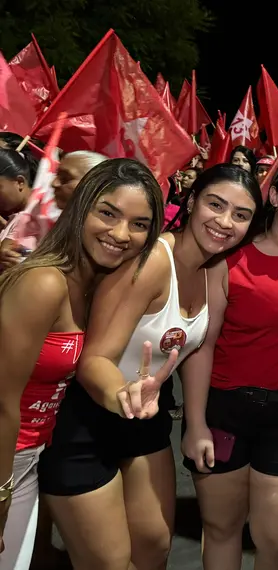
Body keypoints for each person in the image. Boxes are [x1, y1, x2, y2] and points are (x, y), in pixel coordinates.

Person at [37, 164, 264, 570]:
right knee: (108, 562)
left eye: (241, 215)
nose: (225, 222)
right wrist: (120, 393)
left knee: (154, 548)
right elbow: (95, 358)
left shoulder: (216, 269)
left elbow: (200, 349)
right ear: (192, 201)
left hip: (147, 413)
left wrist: (196, 426)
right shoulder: (153, 262)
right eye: (216, 205)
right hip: (84, 419)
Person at [0, 159, 164, 570]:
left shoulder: (92, 285)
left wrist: (122, 395)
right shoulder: (45, 282)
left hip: (29, 459)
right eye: (108, 213)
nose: (121, 234)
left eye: (140, 224)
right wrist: (1, 493)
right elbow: (1, 404)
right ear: (80, 208)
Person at [180, 156, 278, 570]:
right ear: (275, 194)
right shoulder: (228, 260)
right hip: (224, 413)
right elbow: (203, 346)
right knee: (221, 530)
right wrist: (195, 423)